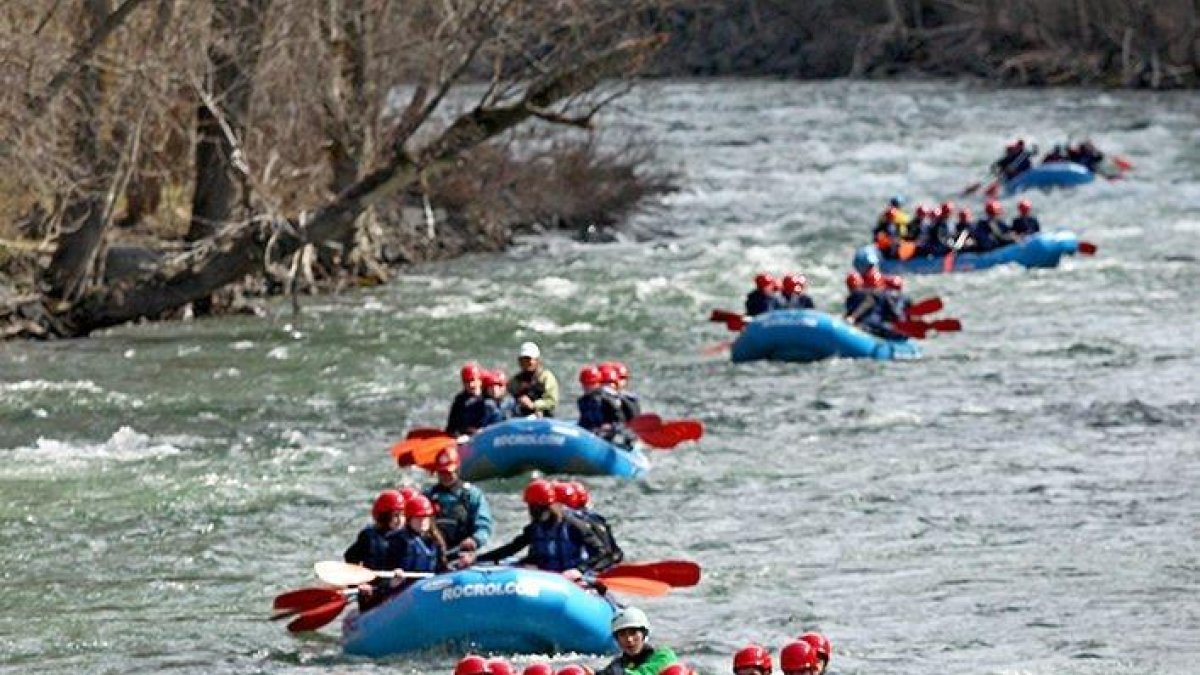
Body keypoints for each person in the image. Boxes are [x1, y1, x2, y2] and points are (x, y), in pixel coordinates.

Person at [471, 478, 619, 573]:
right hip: (545, 577)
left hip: (571, 578)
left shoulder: (573, 525)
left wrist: (580, 570)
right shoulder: (535, 528)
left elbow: (601, 553)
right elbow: (511, 548)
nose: (532, 513)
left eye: (536, 508)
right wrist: (477, 559)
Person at [343, 489, 406, 610]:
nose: (400, 520)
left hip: (396, 588)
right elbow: (350, 558)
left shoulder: (406, 537)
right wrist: (359, 585)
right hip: (373, 591)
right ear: (384, 516)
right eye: (395, 515)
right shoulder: (369, 536)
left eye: (402, 514)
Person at [423, 447, 493, 554]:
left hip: (463, 555)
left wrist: (475, 540)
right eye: (442, 472)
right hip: (433, 554)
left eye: (449, 472)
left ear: (457, 469)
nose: (445, 476)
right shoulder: (428, 496)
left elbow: (483, 526)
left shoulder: (472, 495)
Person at [556, 481, 624, 567]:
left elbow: (607, 552)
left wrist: (581, 569)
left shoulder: (580, 522)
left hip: (590, 570)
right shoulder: (593, 519)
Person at [595, 607, 678, 675]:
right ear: (617, 639)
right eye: (622, 635)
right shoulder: (618, 664)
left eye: (633, 632)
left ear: (644, 634)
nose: (629, 639)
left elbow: (645, 673)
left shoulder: (664, 655)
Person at [390, 494, 449, 589]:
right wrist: (392, 581)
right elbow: (385, 568)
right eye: (418, 518)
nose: (422, 521)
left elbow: (442, 568)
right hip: (404, 588)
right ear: (409, 520)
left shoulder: (436, 540)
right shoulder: (397, 540)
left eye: (425, 517)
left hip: (429, 585)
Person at [508, 342, 559, 417]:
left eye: (529, 359)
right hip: (521, 415)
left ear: (537, 360)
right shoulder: (516, 380)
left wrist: (533, 405)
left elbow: (552, 401)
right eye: (523, 360)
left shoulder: (546, 377)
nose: (526, 363)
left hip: (542, 415)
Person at [577, 364, 626, 437]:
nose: (587, 387)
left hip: (609, 435)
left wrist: (609, 427)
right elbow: (583, 421)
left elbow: (620, 421)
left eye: (591, 383)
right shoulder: (582, 401)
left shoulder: (607, 399)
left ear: (598, 383)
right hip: (590, 433)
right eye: (585, 384)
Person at [446, 362, 490, 437]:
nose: (471, 385)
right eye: (467, 382)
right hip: (468, 437)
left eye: (473, 380)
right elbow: (451, 427)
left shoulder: (489, 395)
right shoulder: (460, 400)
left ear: (479, 380)